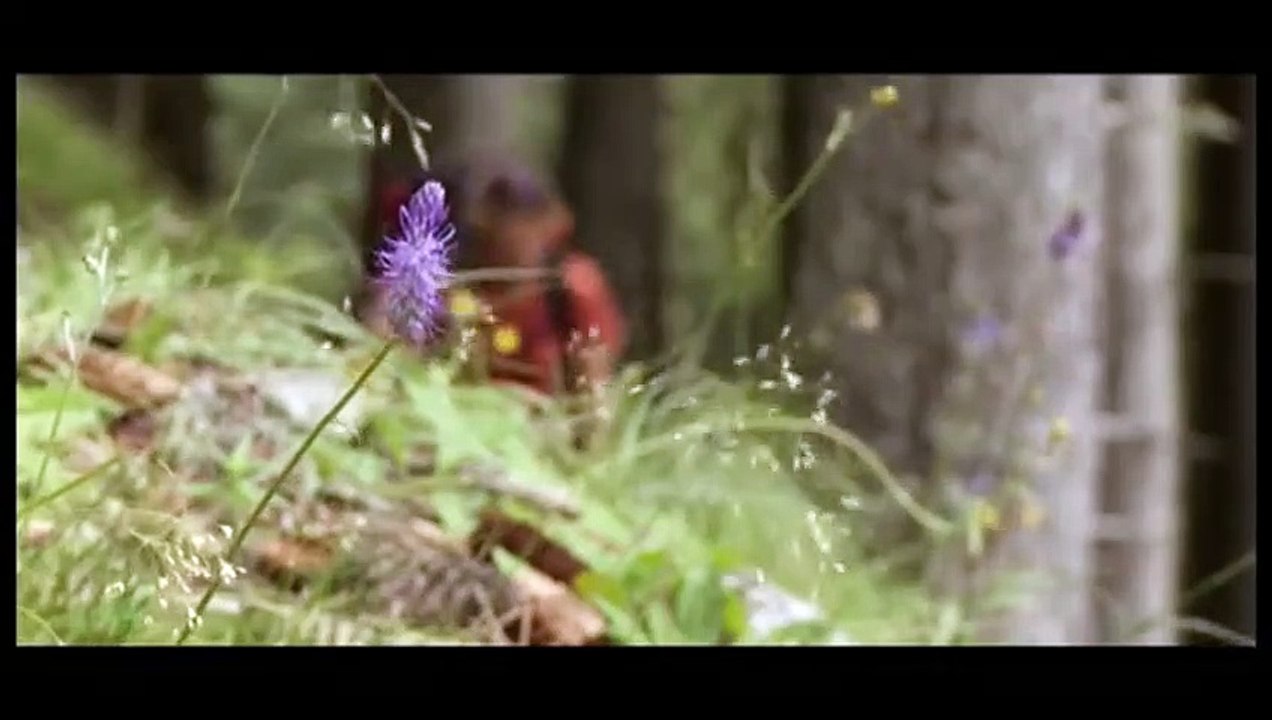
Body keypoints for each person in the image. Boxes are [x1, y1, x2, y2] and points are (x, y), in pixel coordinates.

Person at [361, 154, 626, 399]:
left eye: (523, 214)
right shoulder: (444, 282)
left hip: (542, 425)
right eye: (500, 212)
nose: (514, 231)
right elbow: (384, 348)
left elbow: (595, 382)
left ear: (553, 223)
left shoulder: (571, 287)